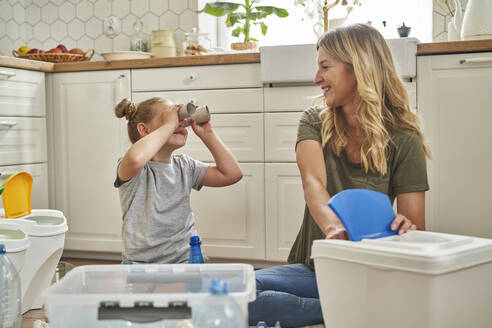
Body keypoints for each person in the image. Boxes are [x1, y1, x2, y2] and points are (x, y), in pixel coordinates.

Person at [248, 23, 430, 327]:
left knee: (250, 307)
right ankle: (356, 312)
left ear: (357, 68)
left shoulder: (404, 139)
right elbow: (313, 184)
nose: (317, 78)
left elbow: (416, 226)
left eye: (325, 67)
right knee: (236, 291)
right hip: (316, 270)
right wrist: (334, 230)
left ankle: (343, 308)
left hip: (371, 274)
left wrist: (406, 227)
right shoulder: (314, 121)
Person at [114, 97, 242, 264]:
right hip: (140, 263)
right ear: (144, 130)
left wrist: (208, 134)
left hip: (185, 259)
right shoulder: (134, 169)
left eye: (179, 119)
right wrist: (169, 126)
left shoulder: (185, 166)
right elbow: (135, 159)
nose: (179, 123)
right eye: (170, 118)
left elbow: (232, 174)